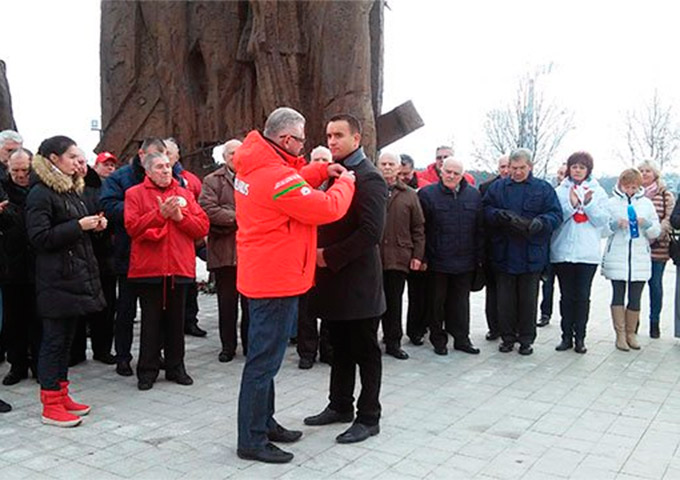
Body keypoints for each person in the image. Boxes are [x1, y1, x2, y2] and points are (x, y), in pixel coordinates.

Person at [234, 107, 355, 464]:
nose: (306, 146)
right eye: (302, 139)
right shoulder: (274, 177)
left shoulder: (255, 164)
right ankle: (252, 439)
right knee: (263, 364)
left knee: (264, 359)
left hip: (262, 274)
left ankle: (264, 422)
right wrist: (345, 181)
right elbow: (326, 208)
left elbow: (290, 179)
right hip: (275, 279)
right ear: (287, 139)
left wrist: (318, 169)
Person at [306, 113, 387, 445]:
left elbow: (371, 232)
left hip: (358, 283)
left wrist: (329, 256)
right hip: (333, 283)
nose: (332, 141)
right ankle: (340, 405)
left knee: (364, 351)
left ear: (357, 138)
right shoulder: (333, 174)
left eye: (339, 135)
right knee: (338, 348)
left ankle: (369, 417)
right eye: (328, 136)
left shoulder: (370, 178)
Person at [26, 136, 107, 427]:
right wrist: (77, 226)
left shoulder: (71, 190)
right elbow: (39, 238)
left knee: (66, 341)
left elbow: (73, 230)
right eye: (72, 157)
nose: (78, 162)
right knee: (53, 342)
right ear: (53, 159)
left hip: (72, 277)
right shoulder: (41, 193)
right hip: (55, 280)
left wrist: (93, 225)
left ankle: (62, 394)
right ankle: (50, 404)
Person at [124, 151, 209, 390]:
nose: (165, 171)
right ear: (148, 171)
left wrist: (180, 217)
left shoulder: (184, 193)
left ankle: (176, 367)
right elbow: (132, 228)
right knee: (150, 322)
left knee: (176, 321)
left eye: (168, 166)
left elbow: (202, 226)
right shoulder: (134, 194)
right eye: (160, 167)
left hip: (179, 268)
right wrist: (158, 215)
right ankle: (147, 370)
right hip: (148, 269)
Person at [483, 148, 562, 355]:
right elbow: (484, 211)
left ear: (530, 166)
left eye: (521, 168)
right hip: (504, 253)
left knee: (528, 301)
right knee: (505, 301)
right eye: (513, 168)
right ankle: (507, 338)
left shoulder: (543, 189)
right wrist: (497, 215)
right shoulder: (498, 188)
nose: (517, 172)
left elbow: (556, 214)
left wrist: (541, 222)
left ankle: (526, 339)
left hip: (531, 254)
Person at [101, 138, 166, 377]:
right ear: (141, 154)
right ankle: (123, 357)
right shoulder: (120, 178)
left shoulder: (166, 177)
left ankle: (153, 354)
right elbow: (107, 205)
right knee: (126, 310)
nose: (159, 160)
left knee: (156, 311)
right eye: (153, 154)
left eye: (163, 155)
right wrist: (141, 210)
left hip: (158, 254)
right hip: (128, 253)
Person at [419, 157, 483, 356]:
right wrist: (423, 257)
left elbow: (479, 230)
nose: (451, 176)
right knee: (436, 303)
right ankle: (438, 340)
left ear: (462, 175)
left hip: (465, 261)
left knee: (461, 304)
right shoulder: (428, 195)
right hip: (438, 261)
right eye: (448, 172)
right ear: (441, 172)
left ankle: (462, 339)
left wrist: (479, 259)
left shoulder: (474, 196)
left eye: (456, 173)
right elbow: (421, 229)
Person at [550, 152, 609, 354]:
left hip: (587, 254)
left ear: (588, 170)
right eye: (574, 166)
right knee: (566, 296)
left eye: (582, 167)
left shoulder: (598, 191)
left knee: (582, 296)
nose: (577, 170)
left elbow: (602, 222)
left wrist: (588, 204)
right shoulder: (560, 190)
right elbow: (556, 218)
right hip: (563, 252)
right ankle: (566, 336)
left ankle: (580, 338)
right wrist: (572, 204)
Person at [199, 139, 249, 362]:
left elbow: (261, 209)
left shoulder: (253, 178)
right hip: (224, 254)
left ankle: (250, 346)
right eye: (230, 153)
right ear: (224, 156)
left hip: (250, 254)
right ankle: (227, 347)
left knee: (250, 306)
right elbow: (208, 210)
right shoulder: (212, 181)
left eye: (239, 152)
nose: (235, 156)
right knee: (226, 305)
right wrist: (239, 216)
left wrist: (227, 215)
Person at [602, 168, 660, 351]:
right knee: (618, 294)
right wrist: (615, 224)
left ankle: (631, 333)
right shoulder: (610, 203)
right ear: (620, 184)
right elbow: (602, 230)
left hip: (639, 258)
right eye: (627, 186)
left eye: (634, 187)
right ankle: (619, 334)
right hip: (617, 256)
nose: (630, 190)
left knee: (635, 297)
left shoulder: (646, 204)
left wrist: (646, 224)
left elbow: (656, 231)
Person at [377, 151, 425, 360]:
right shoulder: (370, 189)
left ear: (399, 169)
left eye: (391, 164)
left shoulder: (410, 195)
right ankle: (369, 341)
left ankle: (393, 341)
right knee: (371, 302)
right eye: (383, 163)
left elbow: (418, 228)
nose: (387, 167)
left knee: (394, 302)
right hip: (373, 257)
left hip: (399, 256)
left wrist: (418, 255)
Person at [1, 148, 40, 385]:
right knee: (14, 321)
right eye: (14, 170)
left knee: (38, 320)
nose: (20, 175)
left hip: (38, 266)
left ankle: (38, 364)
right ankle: (17, 366)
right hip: (11, 266)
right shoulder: (3, 190)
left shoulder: (39, 190)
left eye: (24, 170)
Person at [165, 138, 206, 338]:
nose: (166, 160)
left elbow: (200, 206)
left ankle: (191, 320)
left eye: (169, 155)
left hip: (189, 236)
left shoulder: (189, 179)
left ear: (177, 156)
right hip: (166, 240)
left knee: (189, 283)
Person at [639, 160, 675, 338]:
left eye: (648, 171)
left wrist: (657, 234)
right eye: (641, 171)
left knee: (655, 285)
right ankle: (633, 322)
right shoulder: (635, 193)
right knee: (635, 287)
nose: (644, 174)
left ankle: (654, 322)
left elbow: (669, 218)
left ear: (655, 174)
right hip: (638, 248)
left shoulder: (665, 195)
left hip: (658, 248)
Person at [479, 154, 509, 341]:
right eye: (502, 167)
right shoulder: (486, 188)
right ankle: (494, 327)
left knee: (509, 292)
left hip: (513, 248)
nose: (505, 171)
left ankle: (509, 327)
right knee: (492, 291)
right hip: (492, 246)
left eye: (508, 166)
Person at [537, 163, 568, 328]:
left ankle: (566, 319)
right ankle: (545, 313)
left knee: (565, 287)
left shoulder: (573, 194)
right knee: (547, 283)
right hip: (548, 245)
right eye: (560, 173)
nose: (562, 177)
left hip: (564, 246)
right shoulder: (550, 193)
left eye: (565, 173)